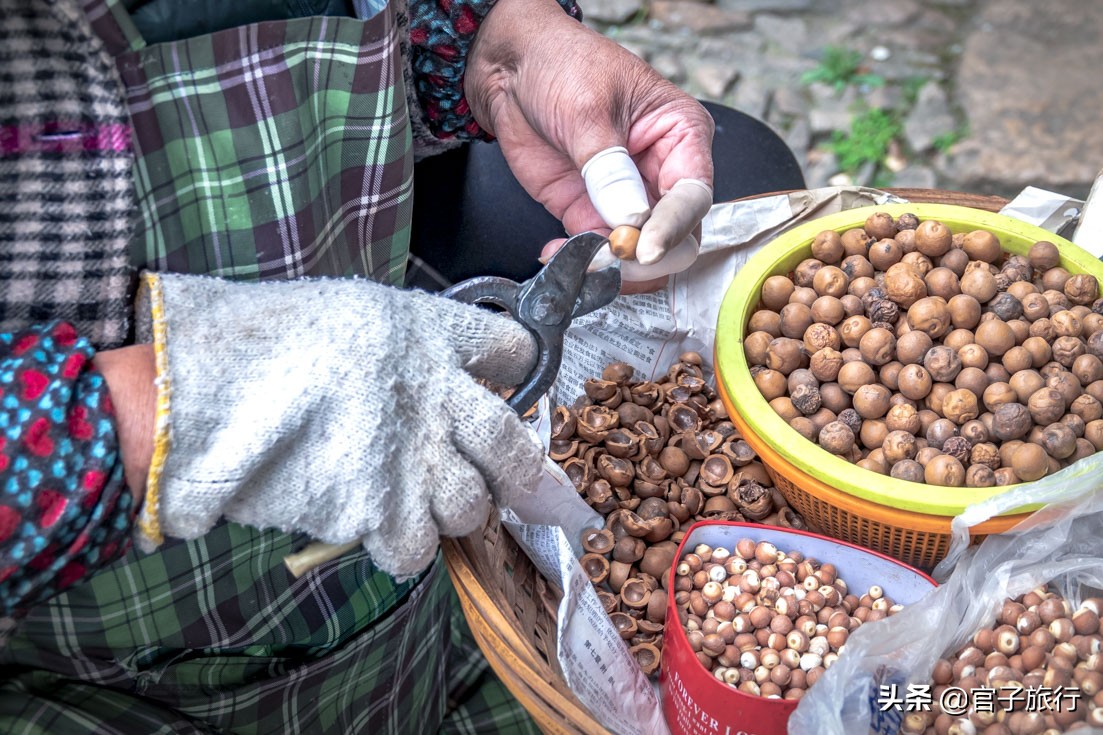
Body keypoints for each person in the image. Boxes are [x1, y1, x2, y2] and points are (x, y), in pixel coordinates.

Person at [0, 0, 803, 732]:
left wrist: (493, 45)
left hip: (402, 593)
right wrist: (177, 407)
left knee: (743, 169)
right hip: (91, 656)